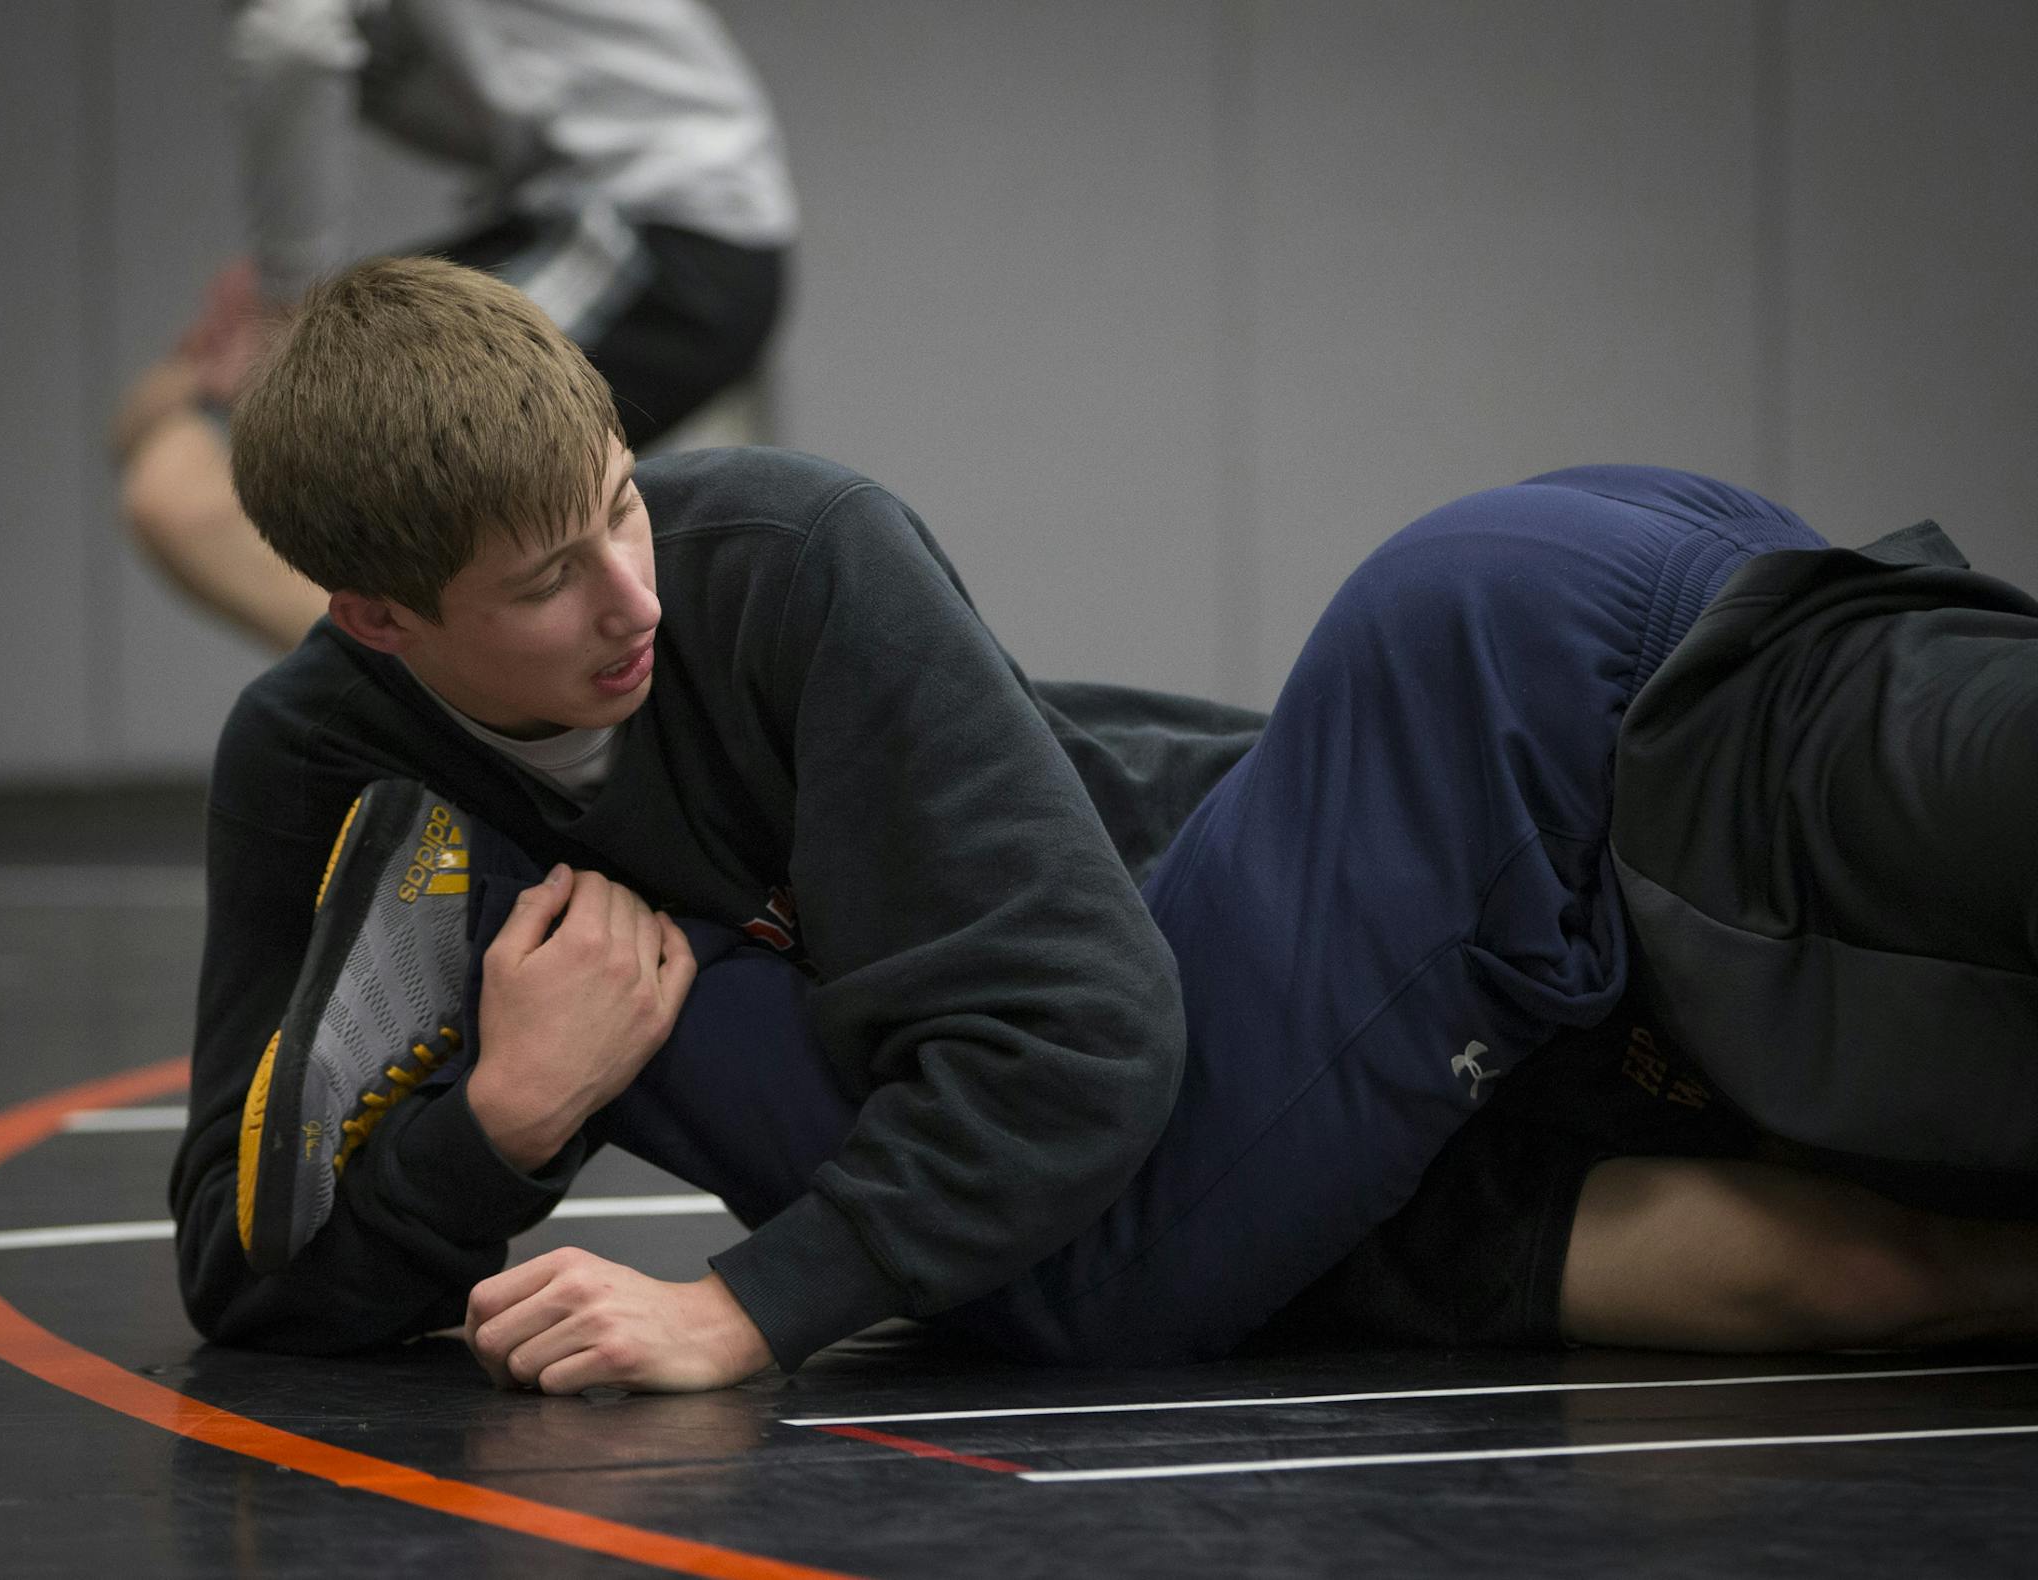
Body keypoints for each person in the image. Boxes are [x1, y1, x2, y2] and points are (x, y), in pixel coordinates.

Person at [172, 256, 2038, 1395]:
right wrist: (504, 1121)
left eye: (622, 510)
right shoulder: (340, 773)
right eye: (546, 581)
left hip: (1446, 787)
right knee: (1868, 1267)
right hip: (1409, 1027)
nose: (628, 598)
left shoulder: (787, 554)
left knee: (1071, 1285)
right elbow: (252, 1276)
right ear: (381, 620)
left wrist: (753, 1307)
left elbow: (1086, 1046)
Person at [114, 0, 796, 650]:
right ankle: (458, 718)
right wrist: (277, 283)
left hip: (663, 233)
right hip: (604, 214)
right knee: (160, 410)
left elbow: (295, 37)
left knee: (184, 490)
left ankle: (455, 733)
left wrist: (286, 297)